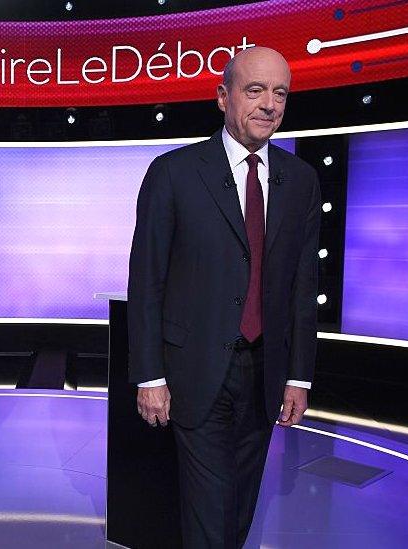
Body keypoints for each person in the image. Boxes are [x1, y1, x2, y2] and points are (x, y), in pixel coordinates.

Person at [127, 47, 320, 548]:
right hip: (194, 371)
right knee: (210, 513)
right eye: (255, 90)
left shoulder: (300, 180)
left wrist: (298, 375)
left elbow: (303, 288)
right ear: (223, 97)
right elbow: (146, 281)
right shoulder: (173, 172)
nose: (270, 104)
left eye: (280, 93)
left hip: (265, 375)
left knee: (239, 509)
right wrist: (150, 376)